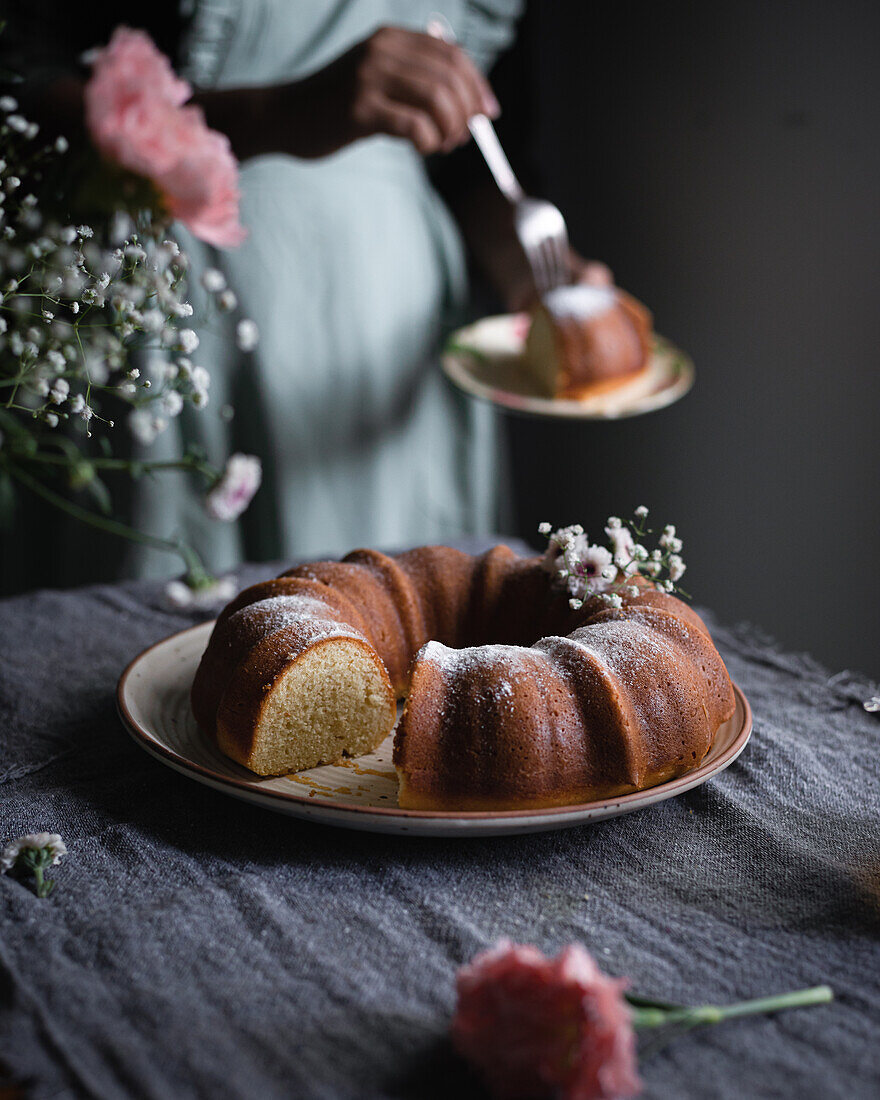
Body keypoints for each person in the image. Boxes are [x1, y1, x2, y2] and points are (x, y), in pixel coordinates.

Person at [4, 2, 602, 589]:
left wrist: (532, 270)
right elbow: (24, 84)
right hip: (172, 320)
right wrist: (279, 111)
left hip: (391, 333)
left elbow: (477, 163)